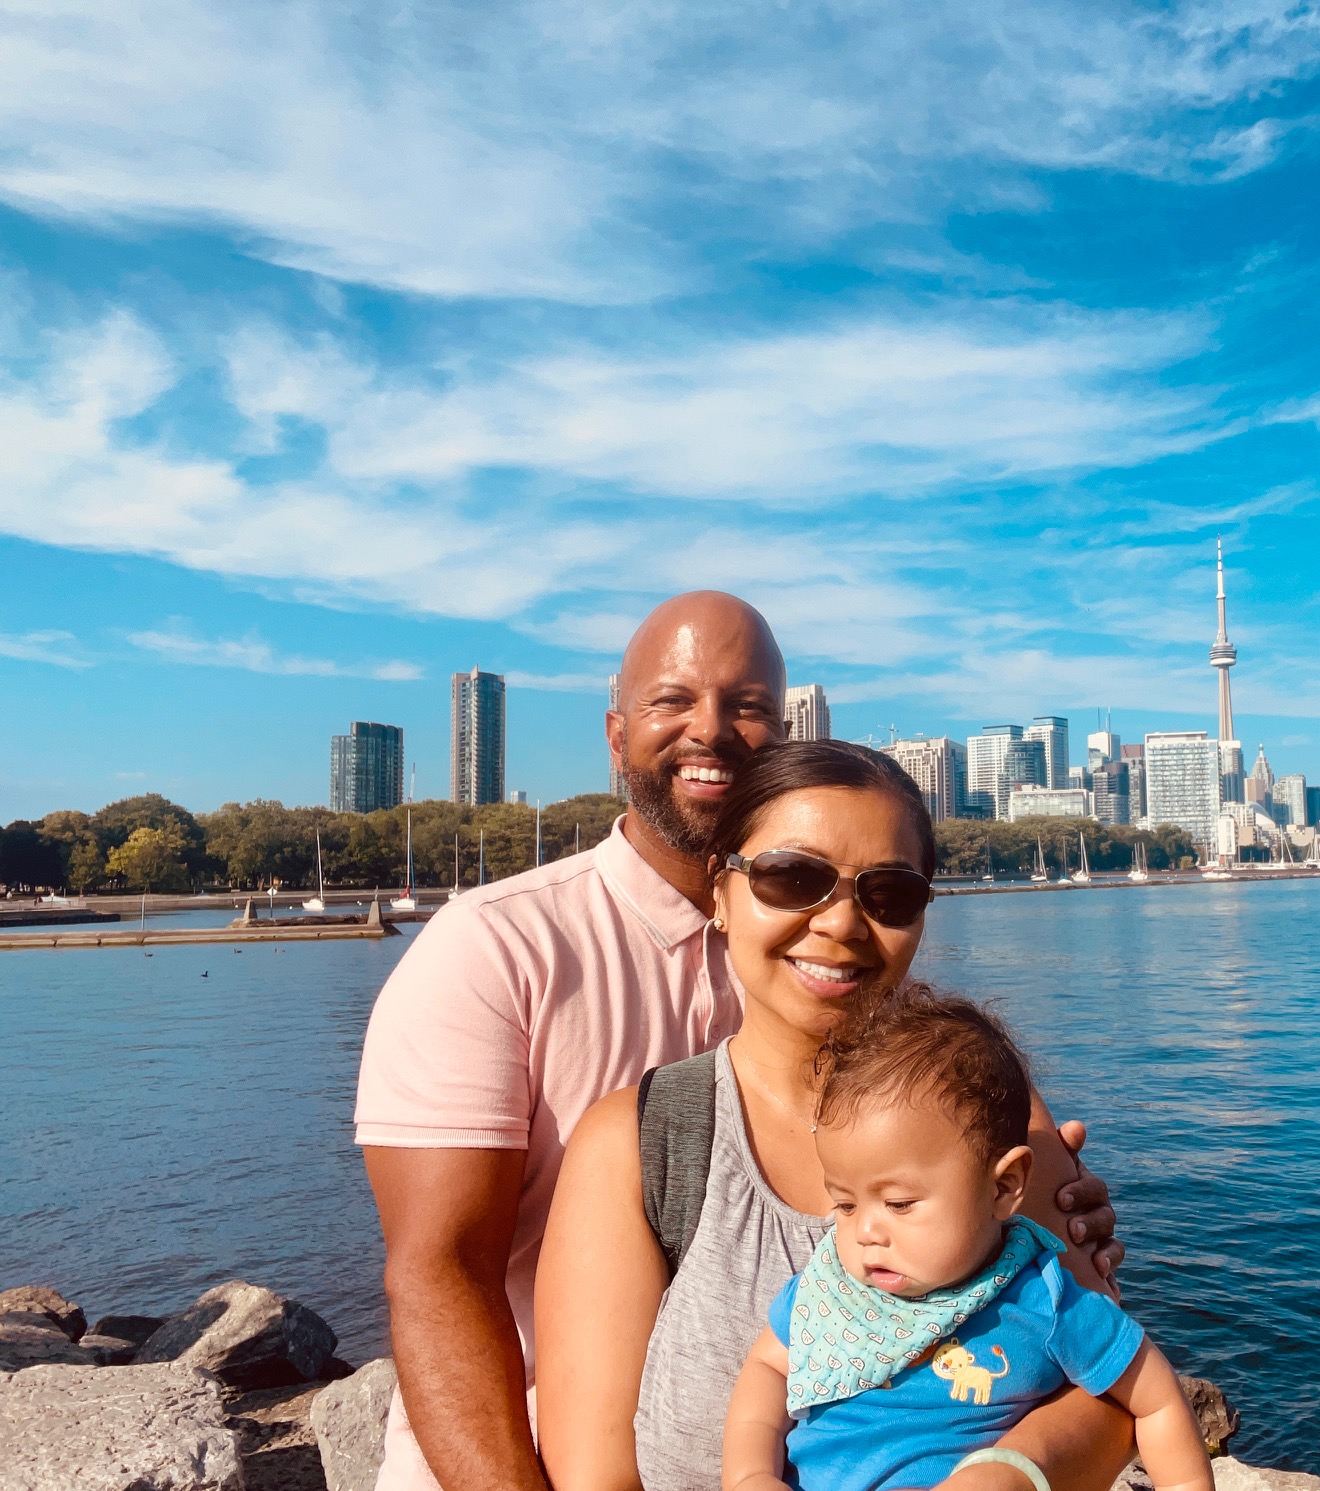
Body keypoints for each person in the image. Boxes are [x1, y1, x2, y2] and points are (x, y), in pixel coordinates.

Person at [355, 593, 1121, 1491]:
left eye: (749, 706)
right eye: (671, 700)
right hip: (497, 1457)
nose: (710, 731)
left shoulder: (911, 1041)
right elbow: (438, 1272)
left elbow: (1099, 1357)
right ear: (615, 732)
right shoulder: (495, 949)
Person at [534, 741, 1138, 1491]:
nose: (843, 923)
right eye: (793, 877)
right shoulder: (641, 1144)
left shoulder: (989, 1104)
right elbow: (594, 1474)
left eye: (888, 893)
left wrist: (1014, 1468)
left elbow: (1120, 1389)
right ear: (719, 894)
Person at [722, 987, 1213, 1491]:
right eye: (845, 1205)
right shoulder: (827, 1292)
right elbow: (768, 1366)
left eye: (899, 1204)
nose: (865, 1232)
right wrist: (750, 1474)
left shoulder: (1045, 1302)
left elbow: (1155, 1400)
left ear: (1002, 1187)